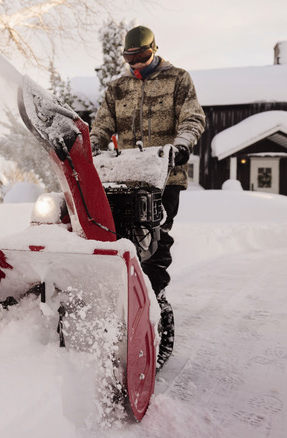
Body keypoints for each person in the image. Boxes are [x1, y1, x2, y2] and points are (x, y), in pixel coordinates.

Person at [88, 25, 206, 370]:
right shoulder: (118, 87)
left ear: (154, 50)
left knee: (155, 241)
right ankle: (116, 297)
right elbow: (101, 125)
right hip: (124, 178)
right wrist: (90, 147)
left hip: (164, 178)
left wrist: (181, 145)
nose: (136, 64)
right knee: (115, 240)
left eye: (142, 56)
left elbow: (193, 117)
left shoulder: (178, 79)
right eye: (130, 58)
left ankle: (153, 300)